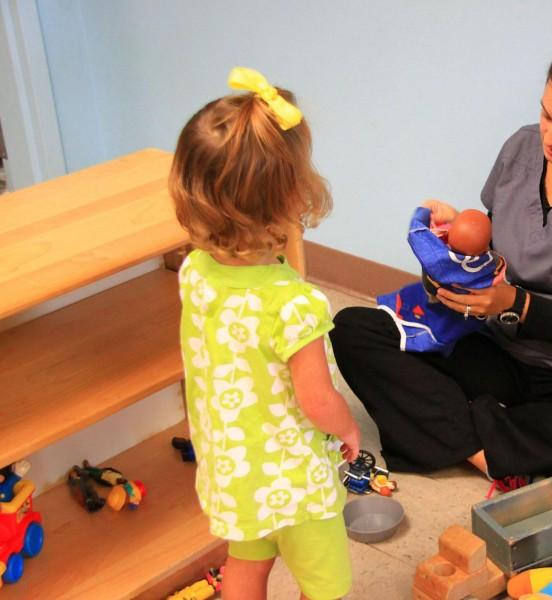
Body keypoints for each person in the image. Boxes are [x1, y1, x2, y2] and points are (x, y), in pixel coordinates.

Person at [331, 30, 552, 486]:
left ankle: (458, 431)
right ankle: (490, 452)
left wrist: (514, 304)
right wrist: (451, 262)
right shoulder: (522, 148)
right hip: (499, 347)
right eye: (546, 115)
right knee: (355, 332)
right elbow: (493, 252)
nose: (550, 139)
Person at [170, 67, 360, 600]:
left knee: (246, 563)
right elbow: (317, 399)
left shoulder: (194, 274)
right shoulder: (293, 303)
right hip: (295, 484)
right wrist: (348, 428)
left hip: (232, 468)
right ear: (291, 195)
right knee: (323, 583)